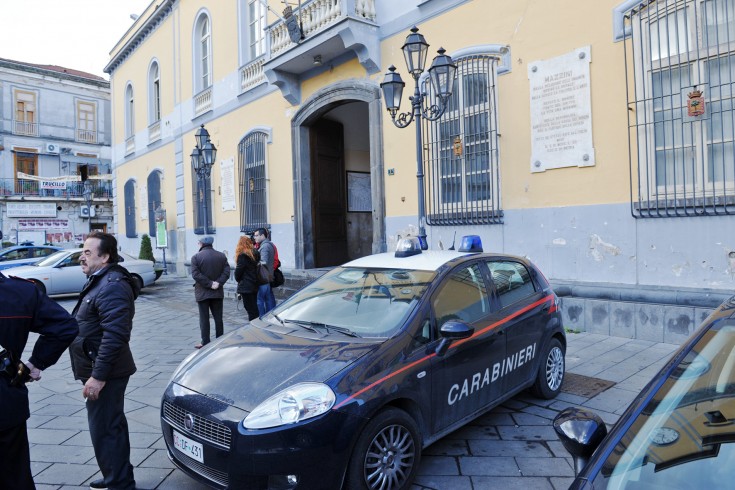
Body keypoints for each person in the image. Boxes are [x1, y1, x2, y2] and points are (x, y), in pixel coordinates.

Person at [69, 231, 139, 490]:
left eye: (87, 253)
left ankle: (118, 483)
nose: (81, 258)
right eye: (82, 252)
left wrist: (98, 377)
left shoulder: (112, 285)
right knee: (111, 426)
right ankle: (117, 475)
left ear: (105, 256)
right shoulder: (100, 280)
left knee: (105, 430)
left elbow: (116, 335)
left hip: (106, 371)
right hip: (98, 365)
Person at [0, 272, 78, 490]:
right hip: (5, 400)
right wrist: (34, 364)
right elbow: (65, 327)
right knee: (14, 476)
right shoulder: (23, 291)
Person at [191, 236, 230, 348]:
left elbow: (195, 275)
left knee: (204, 318)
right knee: (218, 318)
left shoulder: (196, 257)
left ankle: (205, 342)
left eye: (199, 243)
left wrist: (209, 283)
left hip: (202, 292)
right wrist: (218, 283)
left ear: (202, 244)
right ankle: (220, 340)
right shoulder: (221, 256)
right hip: (217, 292)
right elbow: (226, 272)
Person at [234, 235, 260, 321]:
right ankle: (256, 323)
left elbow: (238, 272)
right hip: (254, 284)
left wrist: (238, 279)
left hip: (246, 286)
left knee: (250, 309)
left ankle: (253, 326)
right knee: (254, 307)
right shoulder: (255, 253)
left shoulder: (243, 256)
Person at [253, 228, 276, 315]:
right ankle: (270, 317)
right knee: (269, 300)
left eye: (256, 235)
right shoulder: (268, 244)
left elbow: (263, 262)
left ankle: (261, 319)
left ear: (262, 235)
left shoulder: (265, 246)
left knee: (260, 301)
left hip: (263, 278)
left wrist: (253, 263)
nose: (254, 237)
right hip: (267, 277)